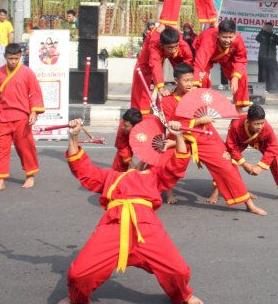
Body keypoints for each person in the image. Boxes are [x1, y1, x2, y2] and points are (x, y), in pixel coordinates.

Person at [61, 119, 203, 304]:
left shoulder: (154, 175)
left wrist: (178, 136)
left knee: (178, 271)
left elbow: (178, 165)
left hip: (146, 227)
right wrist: (73, 137)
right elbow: (82, 169)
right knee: (78, 274)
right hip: (113, 225)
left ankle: (183, 296)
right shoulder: (110, 176)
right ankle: (75, 299)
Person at [161, 62, 266, 215]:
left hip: (205, 135)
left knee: (226, 165)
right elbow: (171, 125)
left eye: (191, 80)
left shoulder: (197, 94)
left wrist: (201, 119)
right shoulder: (167, 101)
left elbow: (209, 96)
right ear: (176, 81)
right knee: (163, 166)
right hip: (180, 139)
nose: (190, 84)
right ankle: (154, 193)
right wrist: (198, 121)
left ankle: (248, 204)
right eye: (186, 81)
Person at [0, 43, 45, 193]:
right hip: (4, 117)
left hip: (21, 117)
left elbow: (35, 93)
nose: (13, 61)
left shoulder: (27, 73)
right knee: (1, 149)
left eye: (16, 58)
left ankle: (30, 175)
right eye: (10, 58)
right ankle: (0, 181)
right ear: (5, 56)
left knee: (25, 147)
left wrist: (34, 112)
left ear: (20, 57)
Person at [209, 104, 278, 204]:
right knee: (226, 158)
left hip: (260, 141)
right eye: (256, 124)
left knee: (276, 158)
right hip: (240, 142)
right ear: (248, 121)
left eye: (262, 123)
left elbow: (273, 147)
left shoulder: (267, 128)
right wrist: (244, 164)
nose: (260, 127)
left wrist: (260, 166)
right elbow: (231, 145)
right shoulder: (236, 124)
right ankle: (217, 189)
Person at [131, 25, 193, 115]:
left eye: (176, 47)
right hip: (150, 50)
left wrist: (191, 83)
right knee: (142, 75)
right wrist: (161, 88)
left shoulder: (183, 46)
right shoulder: (154, 44)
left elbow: (188, 64)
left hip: (172, 42)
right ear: (162, 45)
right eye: (170, 48)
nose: (173, 50)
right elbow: (155, 64)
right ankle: (140, 113)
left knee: (185, 75)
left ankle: (180, 102)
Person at [192, 19, 251, 112]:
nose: (227, 40)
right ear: (218, 35)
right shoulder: (209, 39)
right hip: (206, 57)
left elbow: (240, 59)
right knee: (202, 77)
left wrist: (235, 78)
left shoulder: (238, 39)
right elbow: (200, 62)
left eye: (230, 37)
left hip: (225, 57)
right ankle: (201, 108)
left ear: (235, 35)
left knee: (241, 76)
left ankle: (239, 110)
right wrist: (195, 83)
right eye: (224, 37)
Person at [111, 108, 144, 172]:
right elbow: (122, 147)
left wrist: (141, 164)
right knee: (121, 159)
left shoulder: (147, 128)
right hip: (127, 140)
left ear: (135, 126)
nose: (123, 127)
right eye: (123, 124)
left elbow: (150, 149)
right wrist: (132, 164)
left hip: (146, 139)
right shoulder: (123, 127)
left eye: (126, 126)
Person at [256, 21, 278, 93]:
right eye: (267, 27)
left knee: (274, 73)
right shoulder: (262, 34)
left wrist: (273, 34)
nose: (268, 28)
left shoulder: (274, 36)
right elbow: (257, 39)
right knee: (262, 74)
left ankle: (277, 88)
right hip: (262, 57)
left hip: (272, 58)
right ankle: (262, 88)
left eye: (270, 27)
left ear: (272, 27)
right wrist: (262, 30)